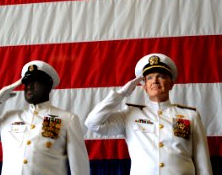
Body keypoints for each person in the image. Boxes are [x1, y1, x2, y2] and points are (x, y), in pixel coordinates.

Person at [85, 53, 213, 175]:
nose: (155, 81)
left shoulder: (190, 116)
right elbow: (92, 123)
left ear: (171, 84)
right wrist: (120, 95)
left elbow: (202, 162)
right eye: (150, 78)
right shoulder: (129, 115)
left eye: (161, 76)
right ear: (144, 86)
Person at [0, 60, 90, 175]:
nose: (29, 86)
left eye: (35, 81)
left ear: (48, 86)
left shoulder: (67, 119)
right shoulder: (9, 118)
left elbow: (79, 167)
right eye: (26, 82)